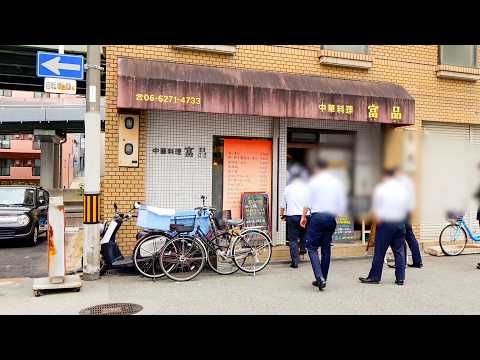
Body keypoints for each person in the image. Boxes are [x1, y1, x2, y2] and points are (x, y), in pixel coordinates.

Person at [300, 159, 347, 291]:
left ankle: (320, 277)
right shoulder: (336, 183)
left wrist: (303, 217)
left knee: (312, 247)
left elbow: (307, 202)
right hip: (330, 218)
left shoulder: (313, 182)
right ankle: (323, 279)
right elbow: (341, 204)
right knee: (326, 249)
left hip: (317, 217)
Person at [359, 168, 410, 286]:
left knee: (379, 252)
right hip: (400, 223)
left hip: (386, 224)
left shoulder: (381, 189)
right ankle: (400, 278)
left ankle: (374, 277)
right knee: (399, 251)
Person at [280, 165, 309, 268]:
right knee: (304, 233)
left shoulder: (288, 188)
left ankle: (295, 262)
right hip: (305, 215)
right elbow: (309, 203)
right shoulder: (306, 188)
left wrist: (281, 214)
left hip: (291, 216)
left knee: (292, 239)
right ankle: (302, 247)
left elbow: (283, 205)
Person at [395, 168, 423, 268]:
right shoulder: (409, 183)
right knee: (410, 236)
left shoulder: (401, 183)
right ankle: (417, 261)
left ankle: (401, 263)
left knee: (400, 236)